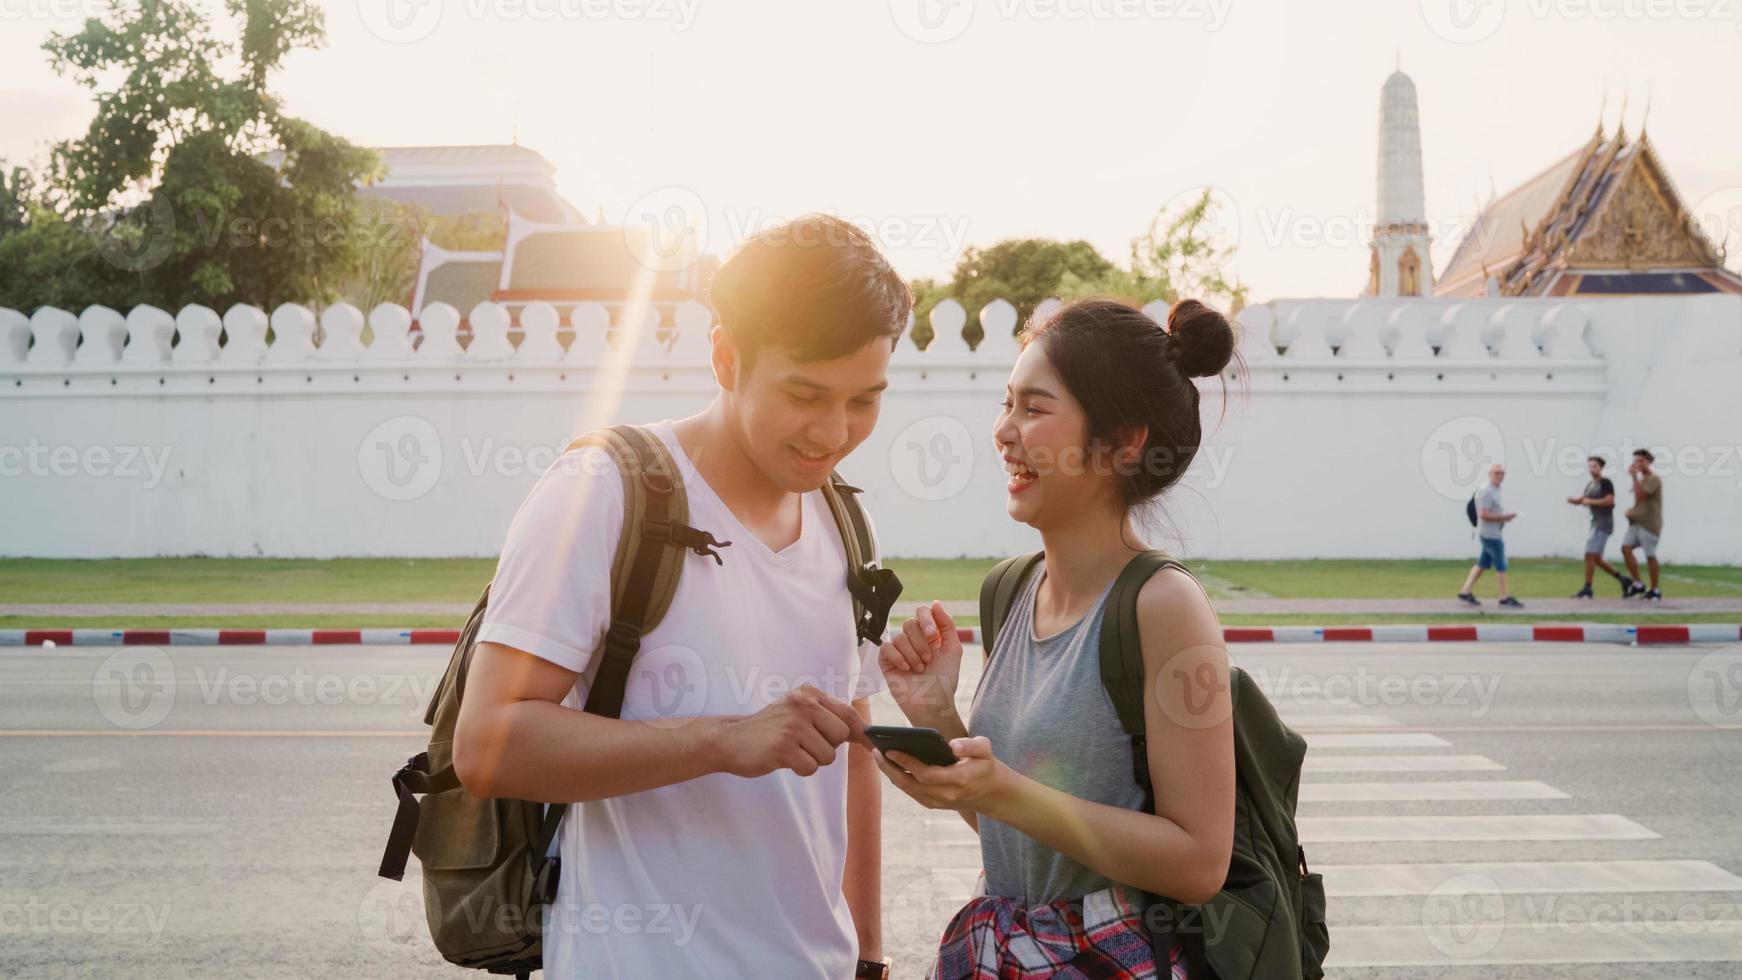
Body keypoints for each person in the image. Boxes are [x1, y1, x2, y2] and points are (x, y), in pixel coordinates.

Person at [451, 215, 909, 979]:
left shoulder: (844, 518)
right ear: (726, 357)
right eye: (805, 393)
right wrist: (723, 741)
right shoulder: (601, 493)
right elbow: (487, 746)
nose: (833, 432)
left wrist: (867, 957)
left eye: (864, 399)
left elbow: (851, 757)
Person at [876, 299, 1237, 979]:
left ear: (1125, 441)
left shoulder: (1165, 606)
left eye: (1035, 409)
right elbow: (1030, 842)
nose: (1004, 432)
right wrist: (936, 719)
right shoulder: (1010, 590)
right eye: (1007, 403)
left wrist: (999, 790)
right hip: (1000, 955)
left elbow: (1199, 862)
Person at [1458, 462, 1523, 608]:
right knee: (1501, 564)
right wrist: (1504, 518)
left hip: (1492, 532)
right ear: (1489, 474)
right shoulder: (1486, 491)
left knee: (1482, 564)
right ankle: (1504, 597)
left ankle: (1465, 591)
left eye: (1502, 473)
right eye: (1496, 473)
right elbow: (1483, 514)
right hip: (1490, 535)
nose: (1500, 476)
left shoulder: (1495, 489)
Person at [1567, 455, 1631, 598]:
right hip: (1594, 523)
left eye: (1595, 466)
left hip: (1603, 524)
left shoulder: (1605, 483)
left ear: (1601, 468)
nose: (1592, 469)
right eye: (1590, 466)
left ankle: (1588, 588)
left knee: (1589, 554)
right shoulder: (1590, 484)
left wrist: (1591, 502)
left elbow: (1609, 501)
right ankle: (1624, 580)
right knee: (1596, 558)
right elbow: (1584, 499)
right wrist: (1574, 501)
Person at [1621, 448, 1665, 600]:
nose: (1637, 464)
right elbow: (1639, 502)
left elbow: (1640, 496)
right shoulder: (1642, 480)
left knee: (1650, 555)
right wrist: (1631, 512)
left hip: (1650, 523)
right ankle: (1638, 583)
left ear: (1648, 462)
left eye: (1641, 461)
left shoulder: (1654, 479)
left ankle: (1655, 590)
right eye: (1635, 461)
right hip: (1637, 522)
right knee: (1626, 548)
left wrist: (1633, 478)